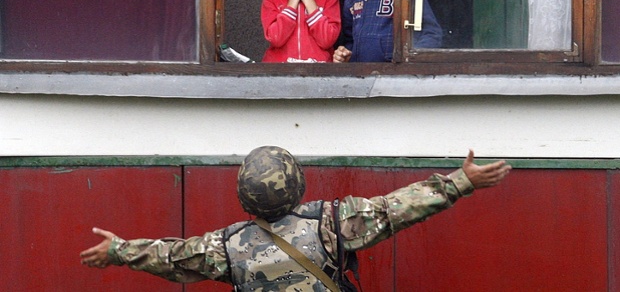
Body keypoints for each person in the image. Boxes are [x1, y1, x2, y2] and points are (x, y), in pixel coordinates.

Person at [80, 145, 511, 290]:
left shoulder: (226, 248)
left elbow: (173, 258)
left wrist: (120, 250)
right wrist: (459, 181)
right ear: (298, 184)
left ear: (244, 198)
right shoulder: (333, 222)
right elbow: (396, 208)